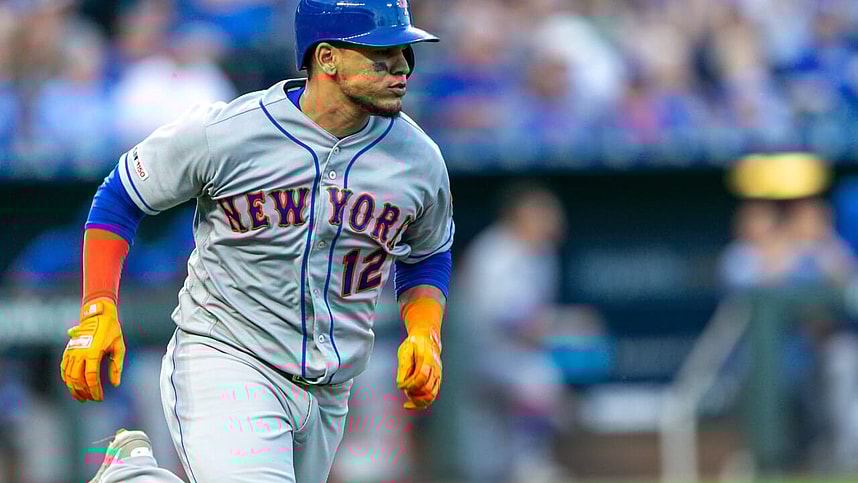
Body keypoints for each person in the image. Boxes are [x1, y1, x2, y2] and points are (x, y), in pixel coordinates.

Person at [59, 1, 454, 482]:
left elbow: (427, 253)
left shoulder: (419, 160)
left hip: (331, 388)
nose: (401, 67)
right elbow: (120, 196)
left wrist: (424, 331)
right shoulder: (232, 131)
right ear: (327, 58)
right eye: (381, 54)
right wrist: (98, 306)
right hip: (228, 356)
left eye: (404, 52)